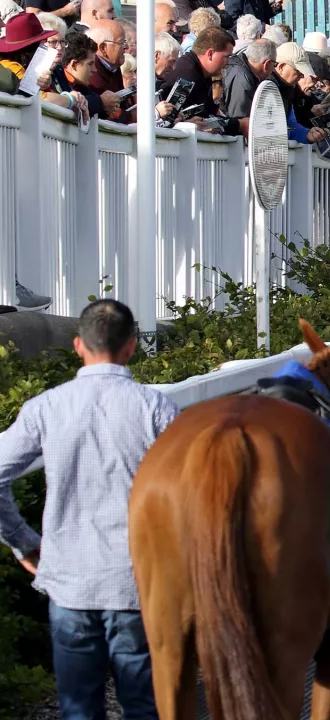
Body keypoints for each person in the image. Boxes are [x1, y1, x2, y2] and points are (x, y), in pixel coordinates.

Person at [0, 299, 180, 719]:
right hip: (137, 583)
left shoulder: (45, 408)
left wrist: (24, 543)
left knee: (79, 707)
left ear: (79, 345)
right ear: (131, 346)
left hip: (69, 581)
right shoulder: (157, 410)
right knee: (143, 705)